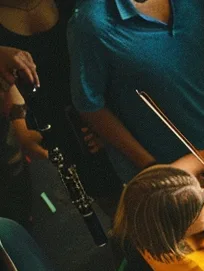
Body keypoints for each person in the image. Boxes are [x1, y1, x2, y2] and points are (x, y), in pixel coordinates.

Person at [66, 0, 204, 180]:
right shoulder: (93, 23)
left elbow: (200, 42)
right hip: (171, 166)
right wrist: (153, 167)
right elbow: (90, 106)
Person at [1, 0, 122, 210]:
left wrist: (111, 121)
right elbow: (11, 87)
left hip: (110, 110)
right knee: (116, 208)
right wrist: (20, 125)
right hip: (65, 131)